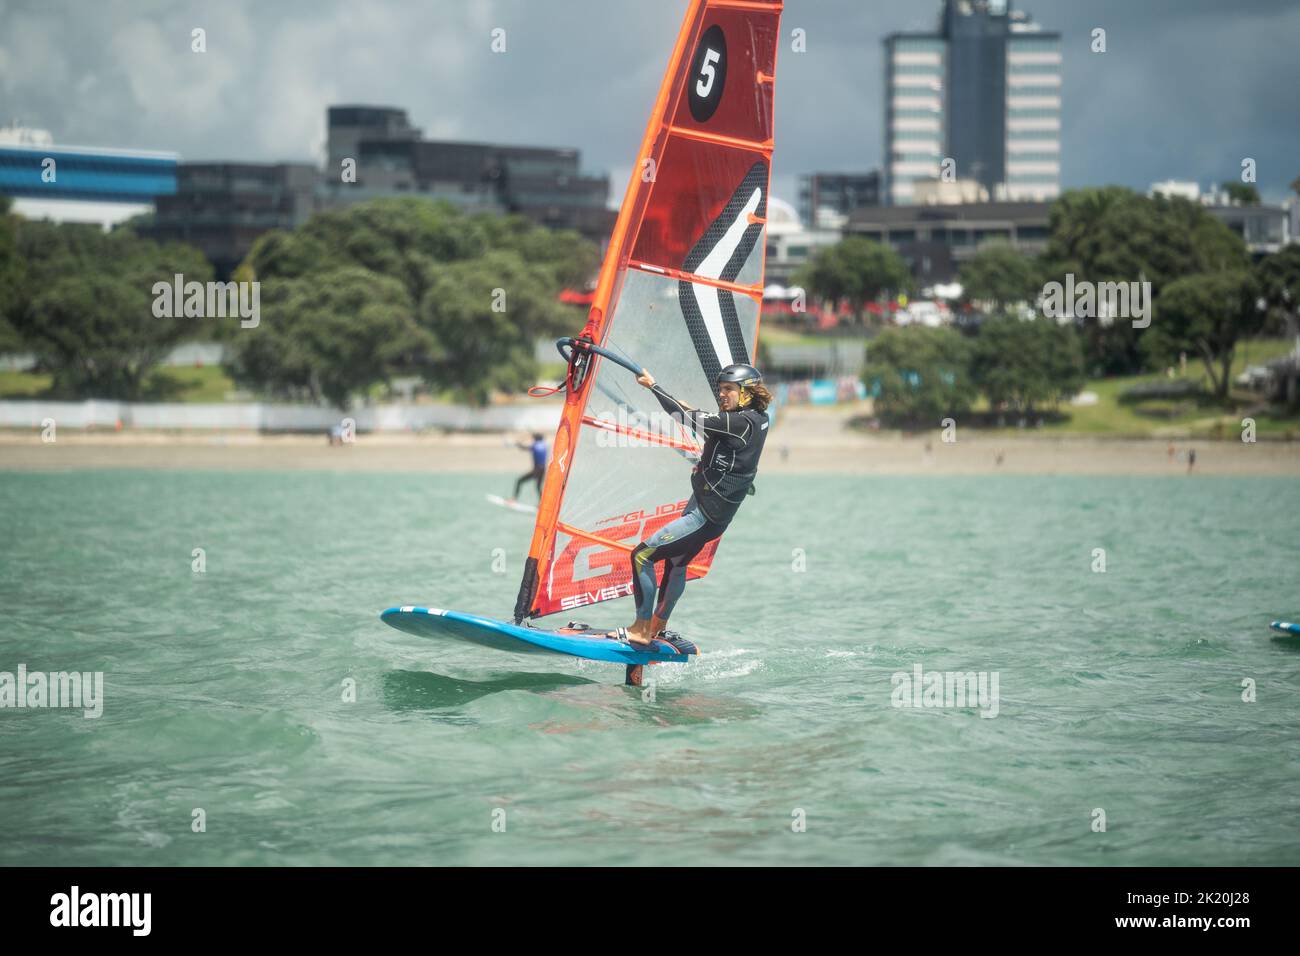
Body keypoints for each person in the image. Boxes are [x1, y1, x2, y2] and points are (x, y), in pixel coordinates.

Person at [605, 363, 771, 648]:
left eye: (729, 389)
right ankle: (658, 624)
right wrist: (684, 406)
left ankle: (641, 629)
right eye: (720, 389)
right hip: (714, 511)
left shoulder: (738, 422)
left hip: (704, 515)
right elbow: (701, 418)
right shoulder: (756, 419)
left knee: (642, 556)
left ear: (747, 393)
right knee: (677, 562)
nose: (722, 394)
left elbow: (684, 416)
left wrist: (652, 386)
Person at [511, 432, 548, 502]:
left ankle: (513, 499)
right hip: (543, 469)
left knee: (519, 481)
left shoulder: (535, 446)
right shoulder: (544, 446)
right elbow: (540, 438)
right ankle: (542, 503)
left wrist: (518, 444)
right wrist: (534, 436)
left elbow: (523, 448)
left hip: (536, 470)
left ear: (536, 439)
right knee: (538, 487)